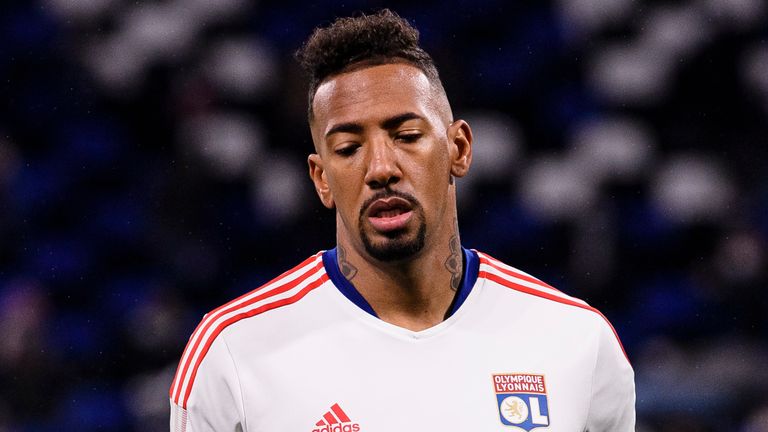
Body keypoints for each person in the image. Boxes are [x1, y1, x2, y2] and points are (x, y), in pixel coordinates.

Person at [169, 9, 635, 432]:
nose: (380, 169)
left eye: (407, 136)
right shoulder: (233, 352)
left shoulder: (575, 340)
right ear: (321, 179)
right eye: (349, 148)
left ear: (459, 149)